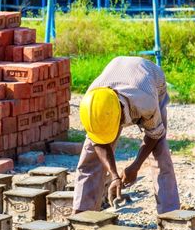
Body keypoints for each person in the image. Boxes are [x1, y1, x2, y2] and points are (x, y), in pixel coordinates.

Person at [73, 56, 180, 214]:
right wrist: (115, 176)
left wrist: (135, 167)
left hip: (151, 79)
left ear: (122, 116)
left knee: (160, 154)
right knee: (90, 157)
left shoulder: (146, 102)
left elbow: (154, 135)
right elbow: (98, 143)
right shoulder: (92, 104)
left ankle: (171, 215)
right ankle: (82, 215)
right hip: (117, 73)